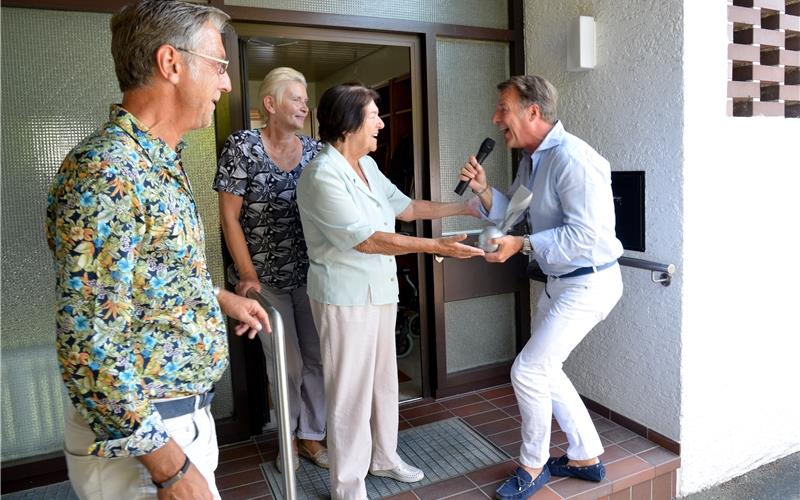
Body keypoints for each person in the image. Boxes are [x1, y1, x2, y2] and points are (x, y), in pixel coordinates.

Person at [44, 1, 270, 499]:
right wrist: (168, 467)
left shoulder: (158, 161)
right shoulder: (108, 173)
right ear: (171, 63)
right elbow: (90, 343)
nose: (226, 83)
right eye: (219, 65)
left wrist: (216, 296)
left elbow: (146, 278)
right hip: (144, 445)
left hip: (177, 423)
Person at [297, 83, 484, 500]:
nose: (381, 123)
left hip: (380, 291)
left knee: (383, 382)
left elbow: (408, 208)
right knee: (349, 392)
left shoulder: (368, 166)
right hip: (343, 297)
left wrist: (464, 207)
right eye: (374, 115)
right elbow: (366, 239)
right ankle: (348, 485)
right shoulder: (321, 175)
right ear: (349, 123)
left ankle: (383, 456)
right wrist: (436, 247)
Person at [459, 75, 624, 500]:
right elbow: (513, 211)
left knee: (529, 370)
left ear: (533, 112)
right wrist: (482, 190)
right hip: (558, 281)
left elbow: (586, 235)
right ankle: (585, 455)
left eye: (504, 110)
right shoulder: (531, 159)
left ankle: (533, 466)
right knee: (545, 369)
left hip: (589, 282)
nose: (496, 119)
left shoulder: (575, 159)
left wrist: (523, 244)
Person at [214, 67, 327, 471]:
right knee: (288, 363)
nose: (304, 105)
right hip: (263, 279)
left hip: (312, 276)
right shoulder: (242, 147)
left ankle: (313, 437)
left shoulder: (315, 151)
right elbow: (229, 217)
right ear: (270, 104)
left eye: (304, 99)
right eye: (296, 97)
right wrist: (247, 275)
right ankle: (287, 440)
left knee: (316, 358)